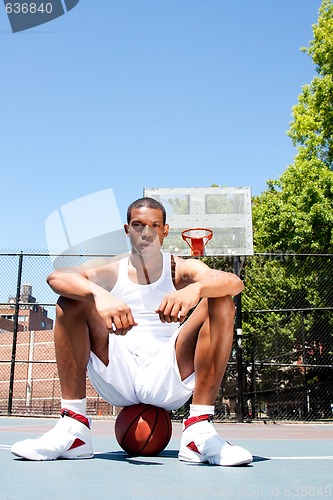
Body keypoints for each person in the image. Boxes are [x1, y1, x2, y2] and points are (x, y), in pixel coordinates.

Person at [11, 197, 252, 466]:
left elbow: (233, 281)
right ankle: (74, 427)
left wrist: (195, 289)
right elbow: (56, 277)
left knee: (221, 300)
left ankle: (200, 430)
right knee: (71, 300)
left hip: (169, 372)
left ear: (165, 230)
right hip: (118, 369)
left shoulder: (180, 268)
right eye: (138, 225)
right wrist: (99, 294)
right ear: (127, 230)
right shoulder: (113, 268)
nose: (146, 233)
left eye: (154, 225)